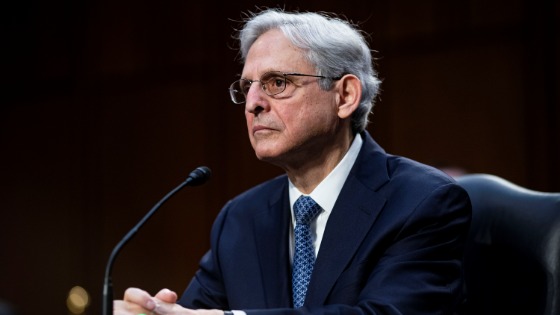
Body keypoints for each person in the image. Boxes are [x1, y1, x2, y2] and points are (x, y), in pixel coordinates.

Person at [114, 7, 471, 315]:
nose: (253, 103)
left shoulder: (421, 201)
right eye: (246, 87)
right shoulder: (240, 220)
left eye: (277, 83)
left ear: (344, 96)